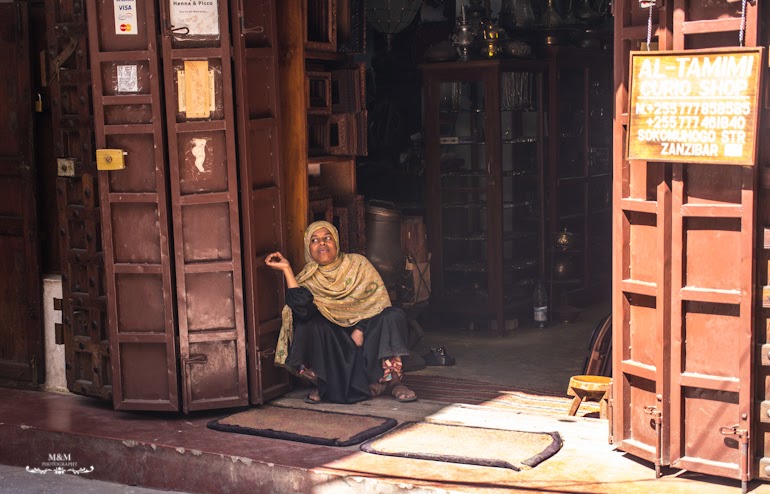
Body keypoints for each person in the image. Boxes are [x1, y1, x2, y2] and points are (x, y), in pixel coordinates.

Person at [266, 221, 417, 405]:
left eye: (327, 238)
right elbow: (302, 310)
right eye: (314, 240)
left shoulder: (357, 264)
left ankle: (394, 382)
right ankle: (324, 383)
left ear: (336, 242)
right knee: (308, 323)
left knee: (393, 316)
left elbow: (378, 304)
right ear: (309, 248)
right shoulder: (308, 277)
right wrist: (287, 270)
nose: (322, 243)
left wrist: (361, 328)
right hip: (334, 343)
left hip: (365, 338)